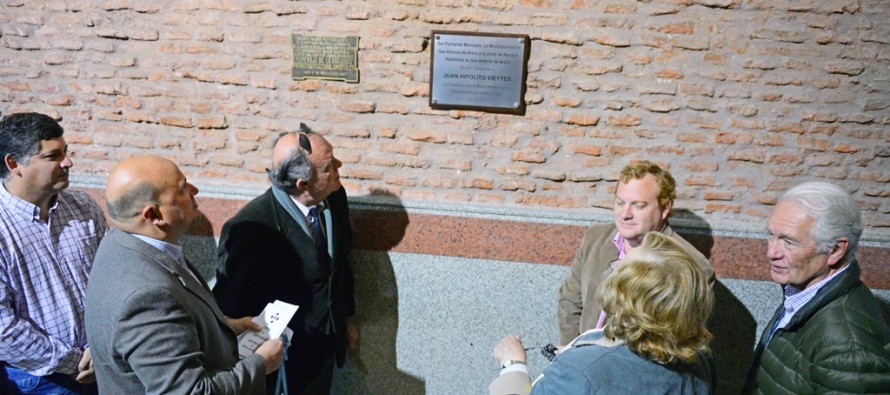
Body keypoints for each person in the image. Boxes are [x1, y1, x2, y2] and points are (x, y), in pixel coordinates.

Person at [84, 156, 284, 394]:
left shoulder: (121, 241)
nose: (194, 190)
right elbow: (188, 391)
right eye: (182, 189)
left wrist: (223, 327)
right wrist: (261, 364)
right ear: (153, 216)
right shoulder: (148, 297)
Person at [213, 124, 358, 395]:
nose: (339, 165)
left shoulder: (335, 195)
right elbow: (233, 304)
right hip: (282, 365)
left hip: (325, 348)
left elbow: (340, 261)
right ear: (303, 184)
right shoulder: (250, 228)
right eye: (329, 166)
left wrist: (345, 316)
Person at [491, 232, 715, 394]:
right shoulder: (702, 360)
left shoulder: (579, 372)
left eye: (619, 267)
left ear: (623, 299)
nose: (614, 265)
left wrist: (513, 365)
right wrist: (586, 348)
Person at [743, 181, 890, 393]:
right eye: (771, 235)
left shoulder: (848, 345)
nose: (771, 252)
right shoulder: (802, 291)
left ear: (836, 250)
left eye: (789, 242)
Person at [0, 112, 107, 394]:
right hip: (39, 380)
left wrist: (102, 349)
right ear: (14, 164)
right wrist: (74, 362)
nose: (68, 162)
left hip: (103, 362)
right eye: (53, 156)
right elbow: (3, 330)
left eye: (66, 152)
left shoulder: (83, 207)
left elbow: (113, 282)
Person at [556, 160, 715, 346]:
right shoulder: (595, 237)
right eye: (620, 202)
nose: (625, 214)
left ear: (665, 208)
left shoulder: (693, 265)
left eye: (638, 205)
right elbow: (569, 302)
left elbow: (678, 341)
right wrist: (571, 352)